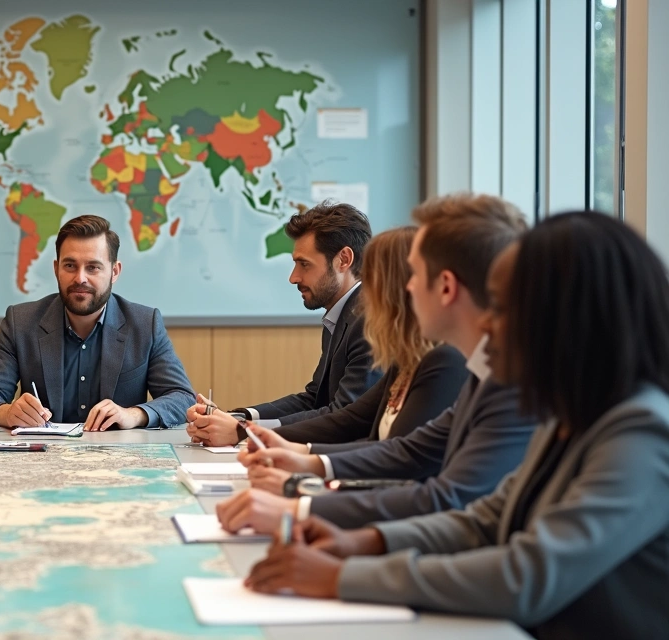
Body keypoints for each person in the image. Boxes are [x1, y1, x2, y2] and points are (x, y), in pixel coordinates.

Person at [244, 212, 669, 640]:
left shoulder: (642, 433)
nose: (486, 322)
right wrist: (368, 542)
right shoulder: (569, 410)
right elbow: (485, 518)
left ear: (569, 317)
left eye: (504, 308)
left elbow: (528, 575)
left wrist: (343, 576)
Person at [217, 193, 534, 531]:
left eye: (413, 275)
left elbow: (443, 496)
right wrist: (305, 461)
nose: (405, 287)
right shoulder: (478, 368)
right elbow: (406, 450)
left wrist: (301, 505)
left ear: (446, 287)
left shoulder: (485, 373)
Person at [188, 227, 468, 451]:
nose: (366, 294)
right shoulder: (406, 362)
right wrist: (246, 426)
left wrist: (247, 432)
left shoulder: (444, 362)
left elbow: (396, 455)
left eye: (374, 282)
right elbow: (348, 416)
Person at [0, 215, 194, 431]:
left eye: (93, 267)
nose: (80, 278)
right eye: (70, 266)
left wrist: (133, 415)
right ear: (56, 270)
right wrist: (7, 413)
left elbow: (182, 397)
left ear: (114, 272)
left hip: (118, 459)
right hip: (44, 460)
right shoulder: (21, 322)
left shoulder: (144, 324)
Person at [187, 201, 380, 446]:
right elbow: (314, 400)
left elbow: (344, 415)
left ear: (343, 259)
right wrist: (240, 417)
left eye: (304, 264)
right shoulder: (342, 315)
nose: (293, 277)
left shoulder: (368, 321)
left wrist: (246, 431)